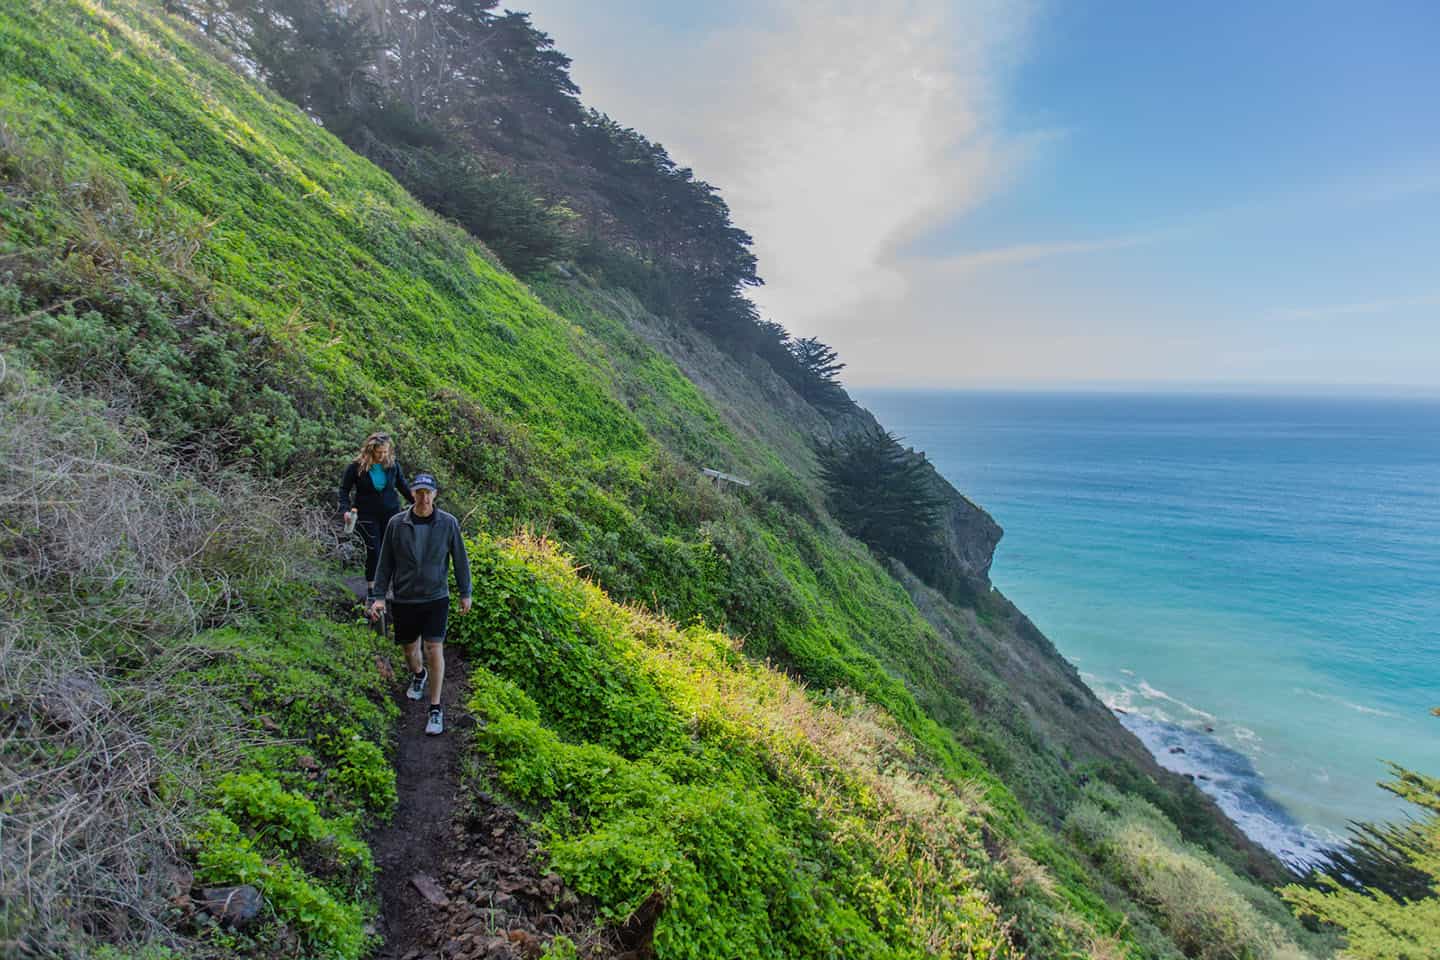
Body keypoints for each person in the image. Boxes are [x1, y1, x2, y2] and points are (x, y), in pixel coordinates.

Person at [368, 473, 471, 735]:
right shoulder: (396, 523)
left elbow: (460, 559)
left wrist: (465, 591)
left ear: (435, 494)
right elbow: (385, 562)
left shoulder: (448, 523)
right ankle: (418, 674)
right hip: (404, 597)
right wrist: (379, 595)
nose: (424, 497)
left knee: (434, 647)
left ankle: (435, 708)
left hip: (436, 596)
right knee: (409, 649)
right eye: (419, 492)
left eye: (428, 492)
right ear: (412, 494)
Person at [337, 433, 413, 598]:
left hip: (391, 513)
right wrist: (345, 510)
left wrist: (419, 502)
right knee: (374, 551)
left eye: (385, 452)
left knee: (391, 550)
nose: (383, 455)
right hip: (366, 514)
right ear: (370, 450)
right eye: (379, 452)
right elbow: (344, 490)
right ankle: (372, 589)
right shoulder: (356, 467)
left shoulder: (393, 465)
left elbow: (402, 486)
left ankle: (390, 586)